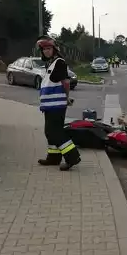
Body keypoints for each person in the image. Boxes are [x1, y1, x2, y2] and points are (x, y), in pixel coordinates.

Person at [36, 36, 81, 171]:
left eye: (49, 49)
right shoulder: (50, 63)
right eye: (44, 50)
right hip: (50, 105)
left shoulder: (59, 62)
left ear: (54, 49)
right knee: (49, 132)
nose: (46, 51)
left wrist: (67, 98)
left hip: (56, 104)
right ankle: (54, 157)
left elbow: (65, 82)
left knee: (54, 132)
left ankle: (72, 157)